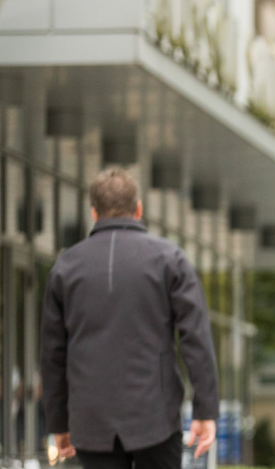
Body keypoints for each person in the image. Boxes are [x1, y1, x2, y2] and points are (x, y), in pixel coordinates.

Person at [40, 168, 219, 469]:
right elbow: (196, 338)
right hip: (156, 418)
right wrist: (205, 410)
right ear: (138, 209)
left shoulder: (65, 268)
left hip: (90, 422)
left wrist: (59, 422)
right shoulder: (169, 260)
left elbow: (53, 353)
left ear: (94, 213)